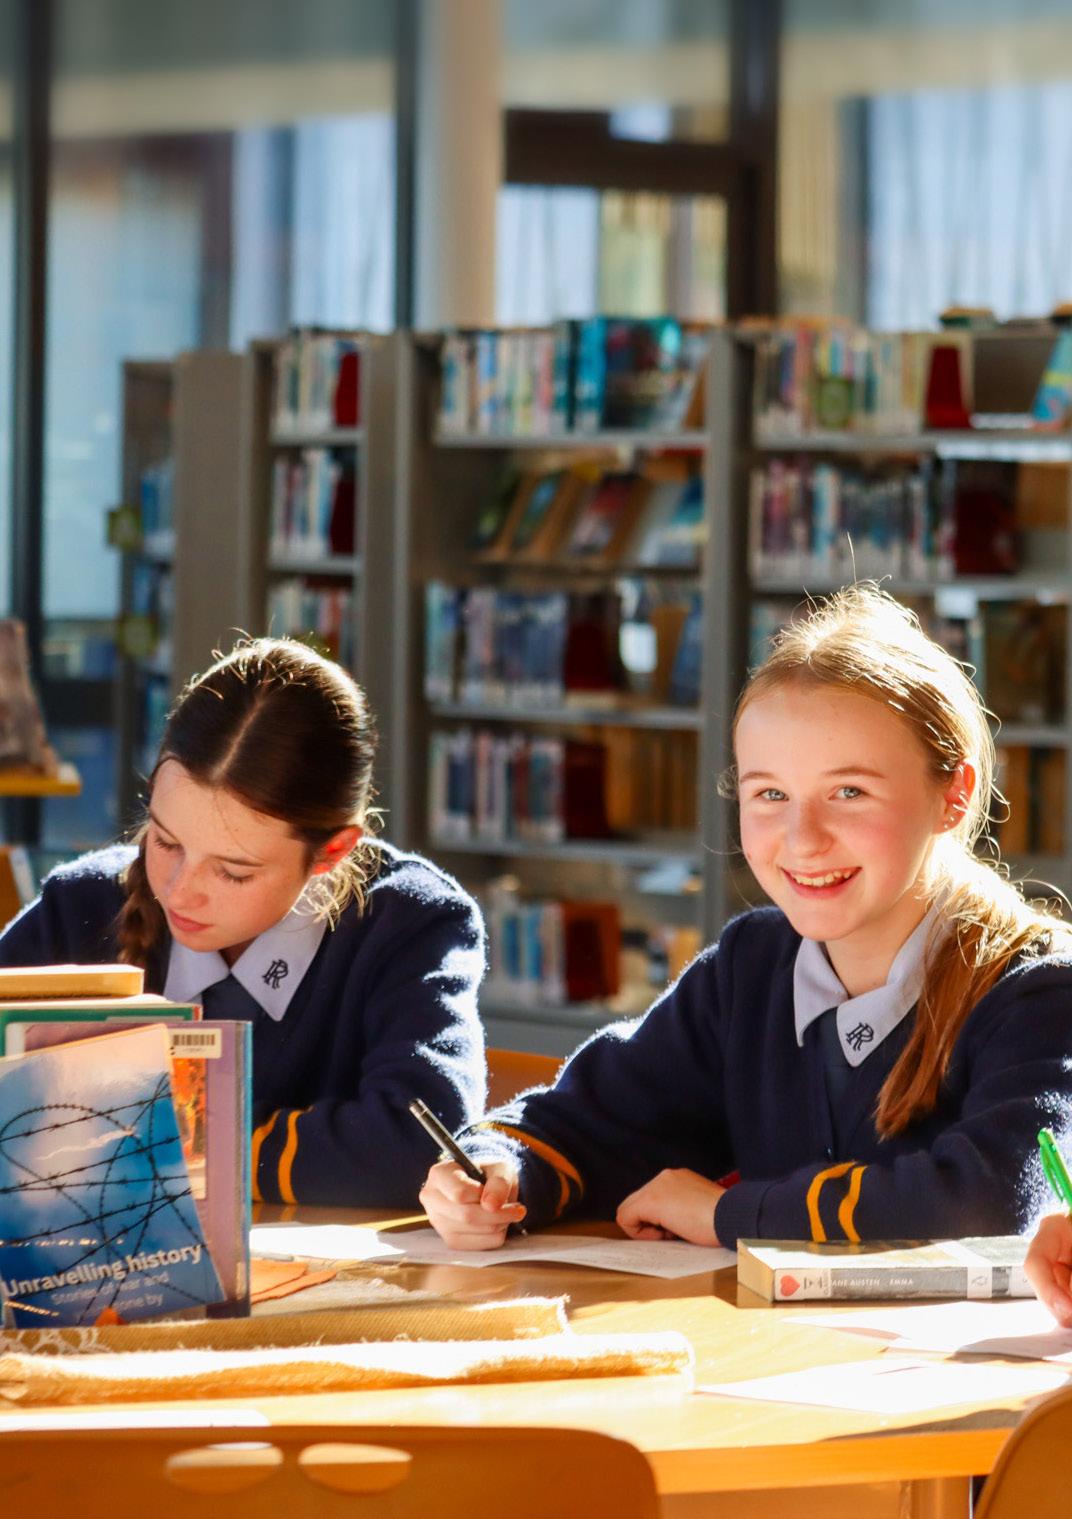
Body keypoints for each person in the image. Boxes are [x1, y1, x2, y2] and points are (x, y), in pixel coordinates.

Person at [420, 584, 1072, 1251]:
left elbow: (995, 1199)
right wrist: (496, 1170)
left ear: (954, 795)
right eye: (770, 794)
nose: (803, 839)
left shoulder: (1040, 992)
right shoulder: (751, 969)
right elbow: (589, 1121)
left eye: (849, 791)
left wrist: (728, 1215)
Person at [0, 637, 486, 1208]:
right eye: (165, 841)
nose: (178, 891)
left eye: (233, 872)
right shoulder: (79, 906)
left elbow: (422, 1147)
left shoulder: (410, 923)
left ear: (331, 852)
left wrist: (145, 1143)